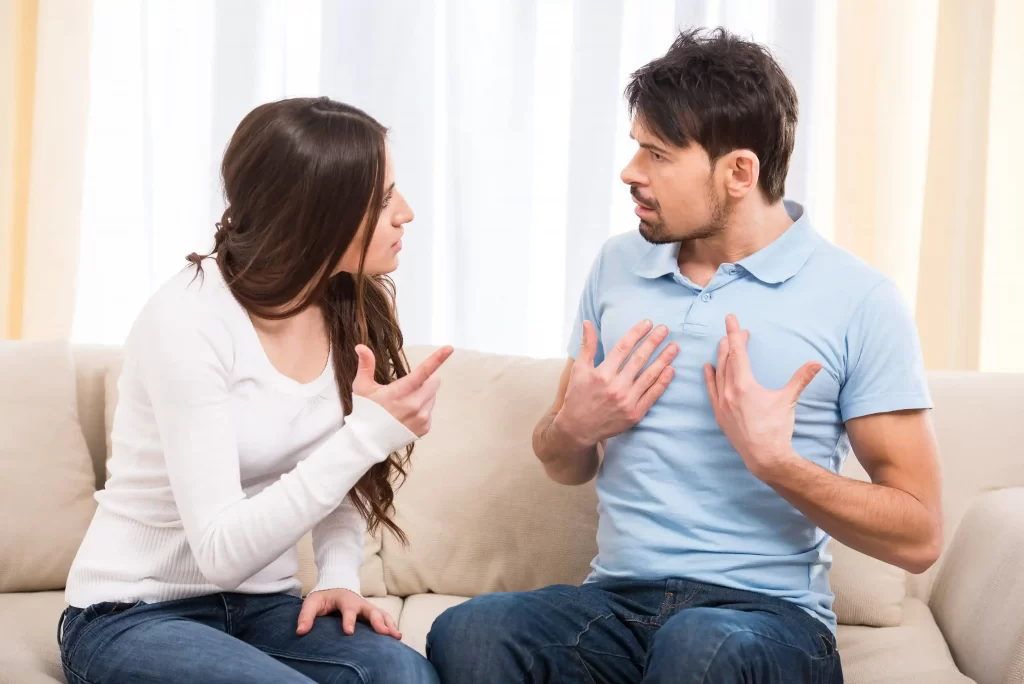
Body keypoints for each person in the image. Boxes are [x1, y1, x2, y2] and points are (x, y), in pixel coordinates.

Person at [427, 28, 942, 684]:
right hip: (616, 605)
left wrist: (776, 463)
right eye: (635, 147)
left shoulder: (859, 299)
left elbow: (920, 535)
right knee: (470, 631)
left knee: (701, 644)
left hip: (768, 620)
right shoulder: (617, 266)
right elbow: (562, 463)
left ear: (738, 172)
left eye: (657, 154)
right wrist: (572, 430)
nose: (631, 172)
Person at [59, 97, 450, 684]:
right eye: (384, 198)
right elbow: (220, 552)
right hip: (132, 614)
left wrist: (339, 574)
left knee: (404, 676)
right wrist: (365, 435)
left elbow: (338, 479)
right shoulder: (188, 320)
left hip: (263, 609)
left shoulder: (347, 299)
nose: (408, 213)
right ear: (316, 213)